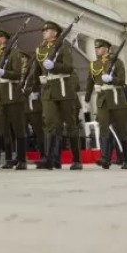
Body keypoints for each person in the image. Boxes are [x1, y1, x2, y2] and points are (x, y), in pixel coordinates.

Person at [30, 21, 76, 170]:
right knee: (50, 123)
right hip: (47, 91)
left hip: (63, 89)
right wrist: (32, 89)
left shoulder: (64, 47)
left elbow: (69, 68)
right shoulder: (39, 49)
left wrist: (55, 66)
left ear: (55, 33)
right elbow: (36, 71)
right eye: (43, 30)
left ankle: (77, 160)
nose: (44, 32)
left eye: (47, 30)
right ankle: (50, 159)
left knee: (70, 124)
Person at [85, 39, 127, 169]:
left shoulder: (117, 62)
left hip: (117, 99)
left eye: (99, 48)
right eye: (96, 48)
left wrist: (112, 79)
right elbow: (90, 82)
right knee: (104, 130)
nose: (97, 50)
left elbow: (122, 81)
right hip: (102, 100)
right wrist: (87, 99)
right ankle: (105, 159)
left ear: (106, 48)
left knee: (122, 130)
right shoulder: (94, 64)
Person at [0, 28, 26, 172]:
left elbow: (17, 74)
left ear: (3, 39)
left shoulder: (14, 53)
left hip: (12, 94)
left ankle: (21, 160)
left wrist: (4, 73)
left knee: (18, 128)